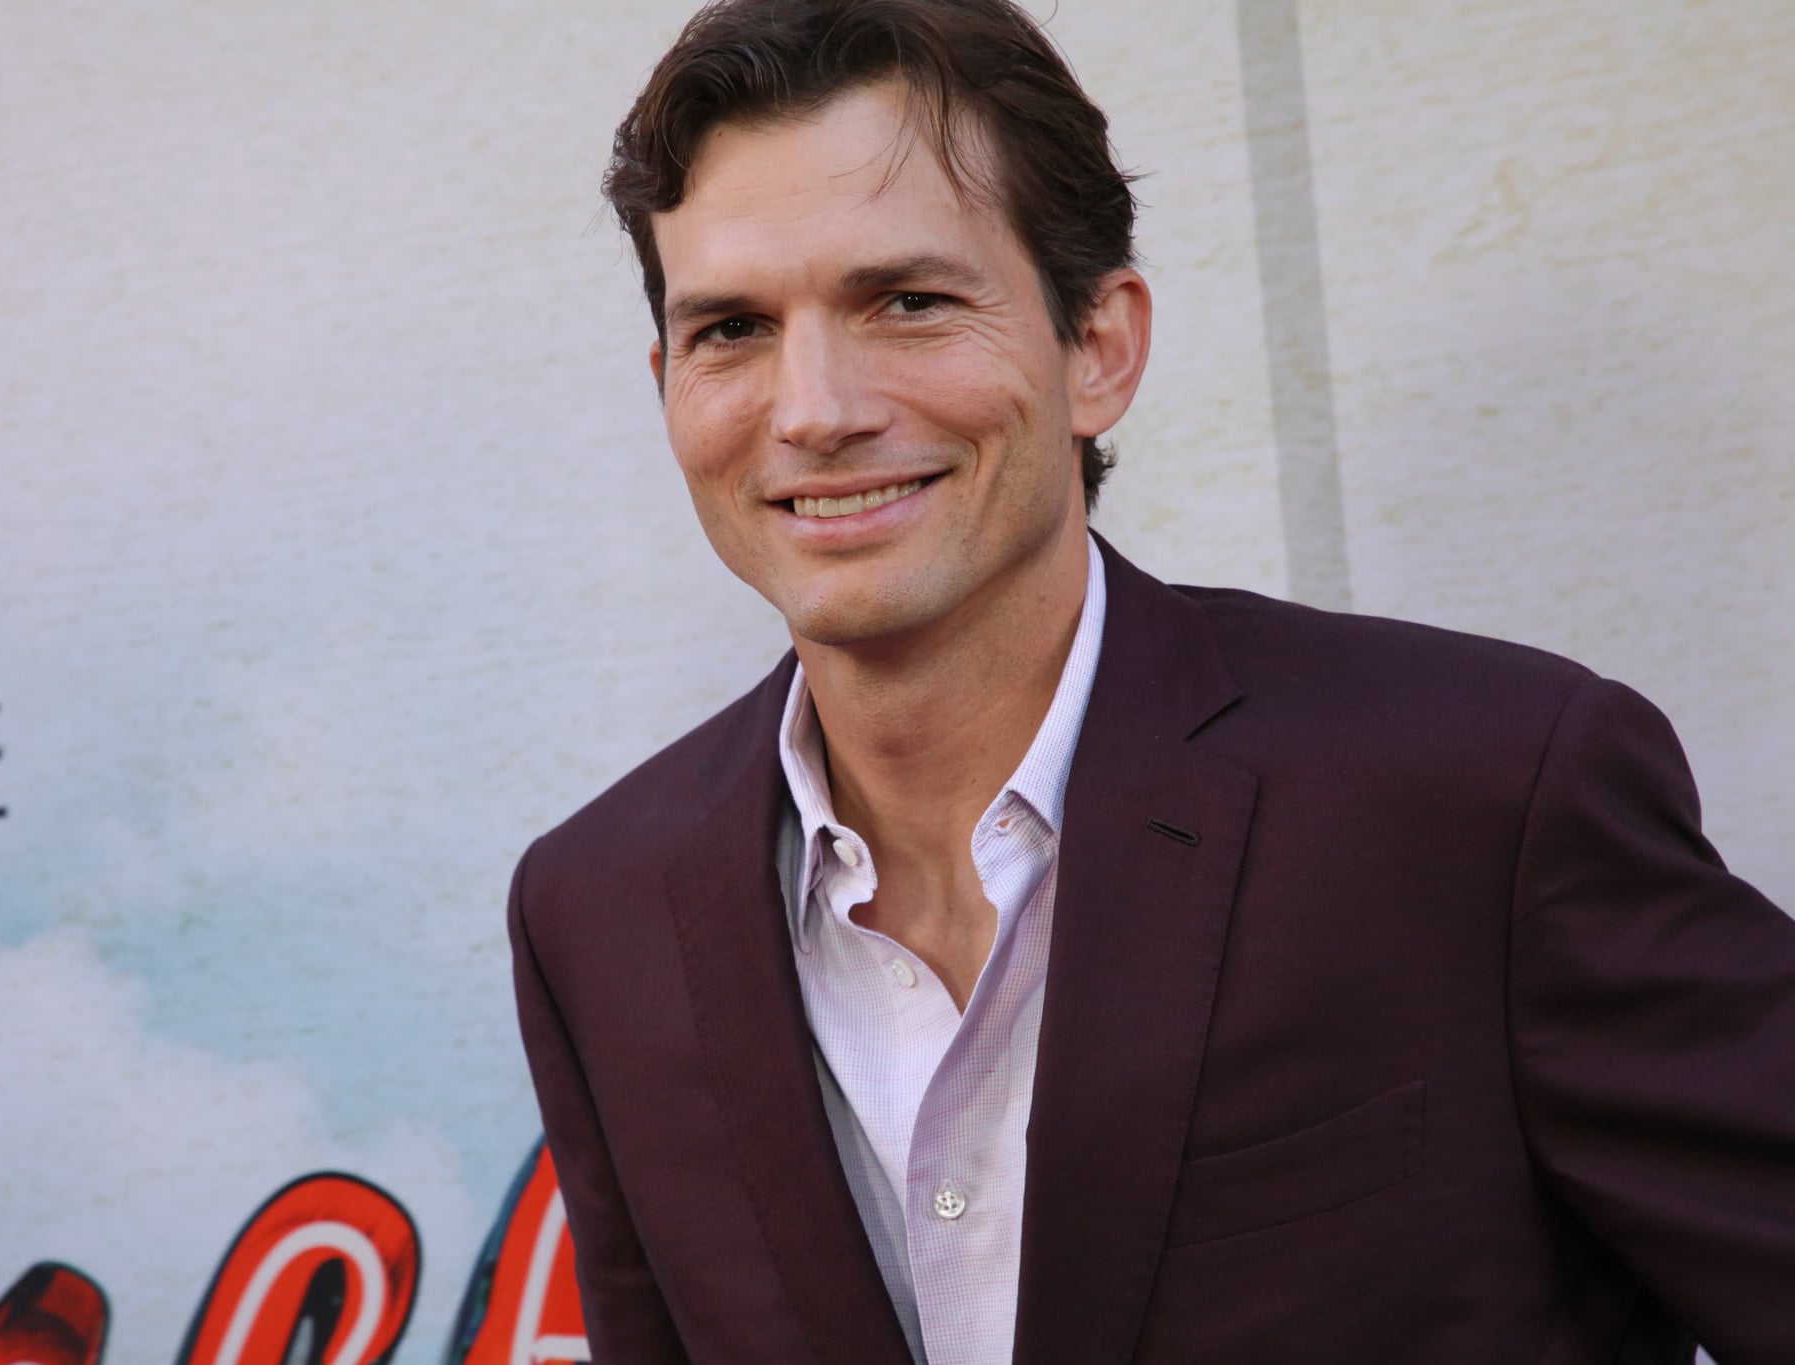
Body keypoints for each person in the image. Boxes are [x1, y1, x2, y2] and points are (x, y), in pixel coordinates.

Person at [505, 1, 1795, 1360]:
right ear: (667, 387)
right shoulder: (599, 913)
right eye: (733, 330)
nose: (815, 407)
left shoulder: (1481, 798)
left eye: (909, 300)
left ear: (1098, 347)